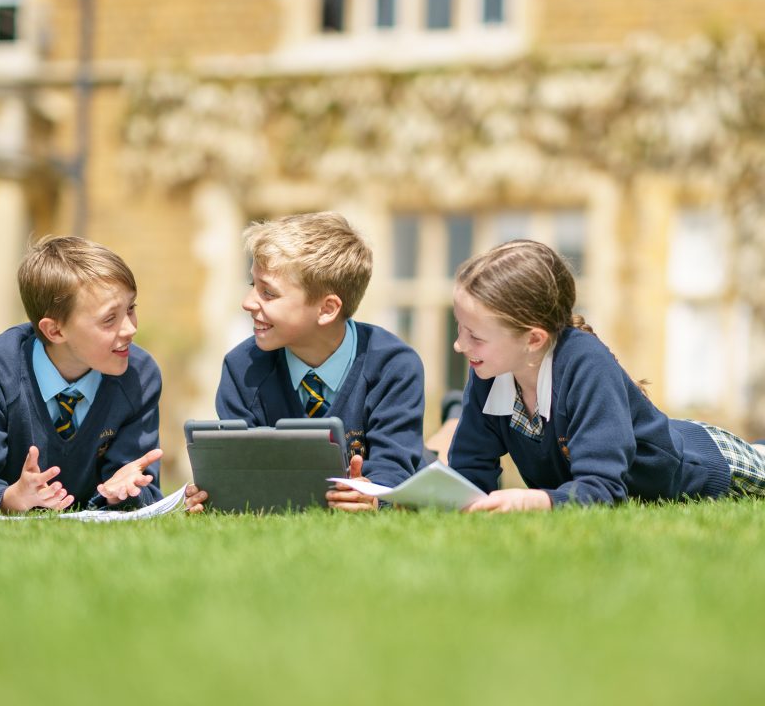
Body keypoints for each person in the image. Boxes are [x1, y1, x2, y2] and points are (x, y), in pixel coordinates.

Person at [448, 239, 765, 511]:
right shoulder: (490, 370)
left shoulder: (586, 363)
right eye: (459, 327)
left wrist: (531, 501)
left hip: (710, 464)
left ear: (533, 339)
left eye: (475, 336)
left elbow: (602, 490)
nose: (459, 345)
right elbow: (469, 473)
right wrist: (442, 498)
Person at [185, 212, 426, 513]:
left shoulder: (394, 366)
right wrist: (214, 493)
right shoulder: (241, 367)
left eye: (268, 293)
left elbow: (394, 470)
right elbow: (239, 474)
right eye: (252, 284)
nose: (248, 302)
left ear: (327, 309)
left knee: (434, 457)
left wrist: (374, 496)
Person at [0, 236, 163, 513]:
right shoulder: (3, 372)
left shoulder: (140, 376)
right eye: (109, 319)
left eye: (131, 309)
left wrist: (123, 492)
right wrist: (8, 498)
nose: (130, 329)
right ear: (55, 331)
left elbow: (141, 483)